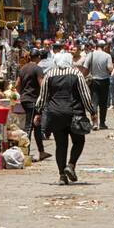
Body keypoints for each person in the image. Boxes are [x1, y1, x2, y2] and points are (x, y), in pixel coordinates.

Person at [34, 52, 95, 184]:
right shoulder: (76, 74)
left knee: (60, 145)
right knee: (79, 141)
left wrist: (38, 112)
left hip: (55, 114)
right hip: (75, 113)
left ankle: (62, 175)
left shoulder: (50, 75)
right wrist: (92, 111)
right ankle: (71, 165)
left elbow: (43, 96)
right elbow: (85, 95)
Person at [18, 50, 50, 163]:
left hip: (25, 99)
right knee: (29, 126)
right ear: (38, 57)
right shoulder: (37, 68)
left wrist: (22, 94)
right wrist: (45, 96)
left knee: (37, 126)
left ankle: (41, 152)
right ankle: (25, 152)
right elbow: (42, 85)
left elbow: (17, 85)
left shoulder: (23, 68)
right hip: (32, 100)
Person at [83, 40, 113, 130]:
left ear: (96, 46)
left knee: (94, 103)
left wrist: (82, 78)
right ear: (104, 47)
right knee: (103, 103)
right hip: (105, 81)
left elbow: (85, 68)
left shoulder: (90, 55)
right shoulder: (107, 56)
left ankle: (95, 123)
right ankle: (102, 123)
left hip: (93, 81)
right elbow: (110, 68)